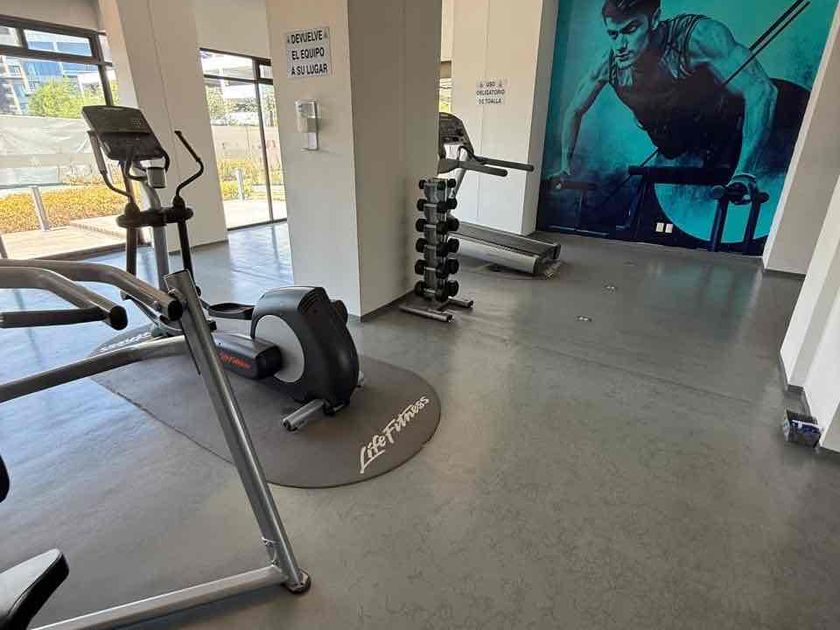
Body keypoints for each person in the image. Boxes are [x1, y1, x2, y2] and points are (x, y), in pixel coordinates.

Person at [554, 0, 779, 191]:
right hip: (676, 149)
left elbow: (762, 90)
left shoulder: (697, 38)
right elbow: (575, 110)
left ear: (654, 19)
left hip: (727, 136)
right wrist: (565, 167)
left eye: (630, 30)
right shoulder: (607, 63)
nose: (620, 45)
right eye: (613, 34)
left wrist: (745, 172)